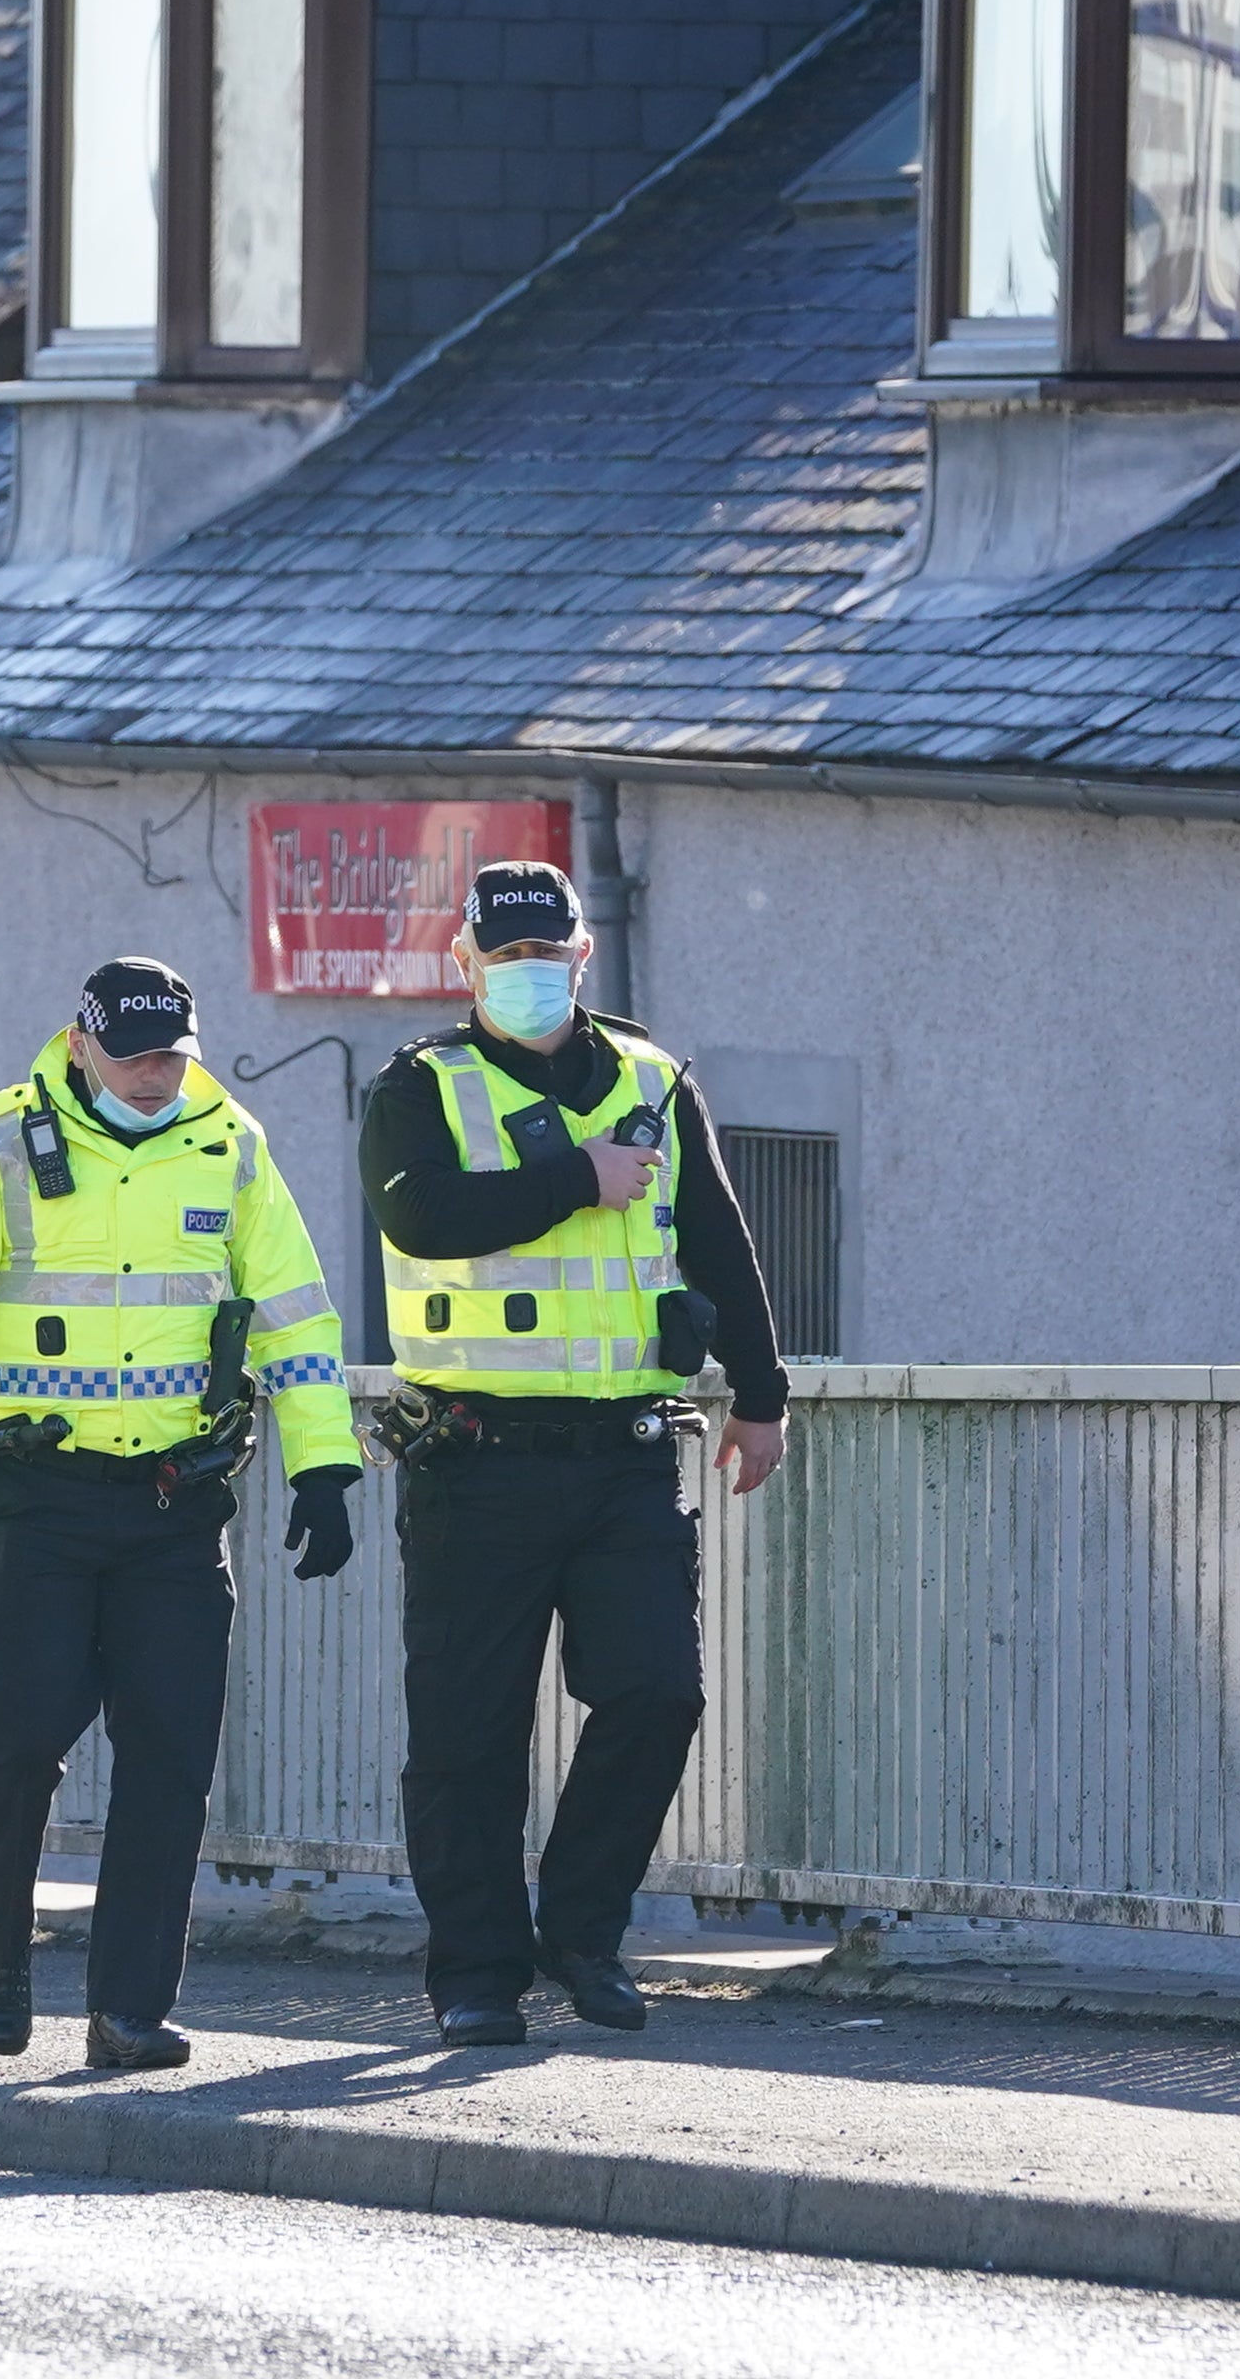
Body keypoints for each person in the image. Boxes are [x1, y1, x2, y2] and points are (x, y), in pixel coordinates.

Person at [0, 959, 360, 2072]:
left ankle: (128, 2008)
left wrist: (326, 1462)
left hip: (178, 1502)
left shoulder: (231, 1145)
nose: (154, 1074)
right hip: (39, 1495)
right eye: (134, 1055)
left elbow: (294, 1315)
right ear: (79, 1044)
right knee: (25, 1732)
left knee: (171, 1752)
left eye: (172, 1054)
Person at [360, 858, 789, 2046]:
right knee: (468, 1732)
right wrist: (575, 1180)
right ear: (466, 962)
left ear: (582, 957)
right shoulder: (419, 1086)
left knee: (660, 1690)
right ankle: (479, 1976)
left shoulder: (653, 1076)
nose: (529, 976)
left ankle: (583, 1931)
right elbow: (420, 1215)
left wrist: (763, 1394)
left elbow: (720, 1239)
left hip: (624, 1454)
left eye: (548, 956)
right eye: (506, 958)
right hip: (473, 1457)